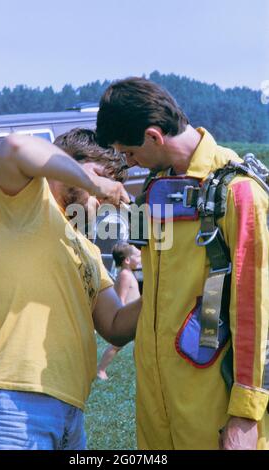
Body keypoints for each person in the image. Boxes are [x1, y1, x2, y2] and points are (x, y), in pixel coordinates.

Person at [96, 77, 269, 450]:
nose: (129, 162)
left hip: (213, 403)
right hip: (155, 404)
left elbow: (255, 311)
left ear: (154, 136)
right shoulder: (155, 187)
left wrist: (245, 414)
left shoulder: (238, 191)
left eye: (129, 152)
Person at [0, 129, 142, 450]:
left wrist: (165, 281)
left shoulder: (88, 249)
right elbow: (16, 146)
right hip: (14, 399)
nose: (106, 197)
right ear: (64, 162)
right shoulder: (26, 199)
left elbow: (116, 326)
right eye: (102, 175)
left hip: (70, 410)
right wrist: (95, 183)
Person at [97, 241, 141, 380]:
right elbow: (120, 298)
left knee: (140, 343)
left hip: (135, 317)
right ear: (127, 260)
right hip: (127, 317)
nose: (141, 259)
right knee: (116, 345)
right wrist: (121, 320)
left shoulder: (130, 273)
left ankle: (140, 368)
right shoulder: (125, 276)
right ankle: (101, 370)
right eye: (138, 256)